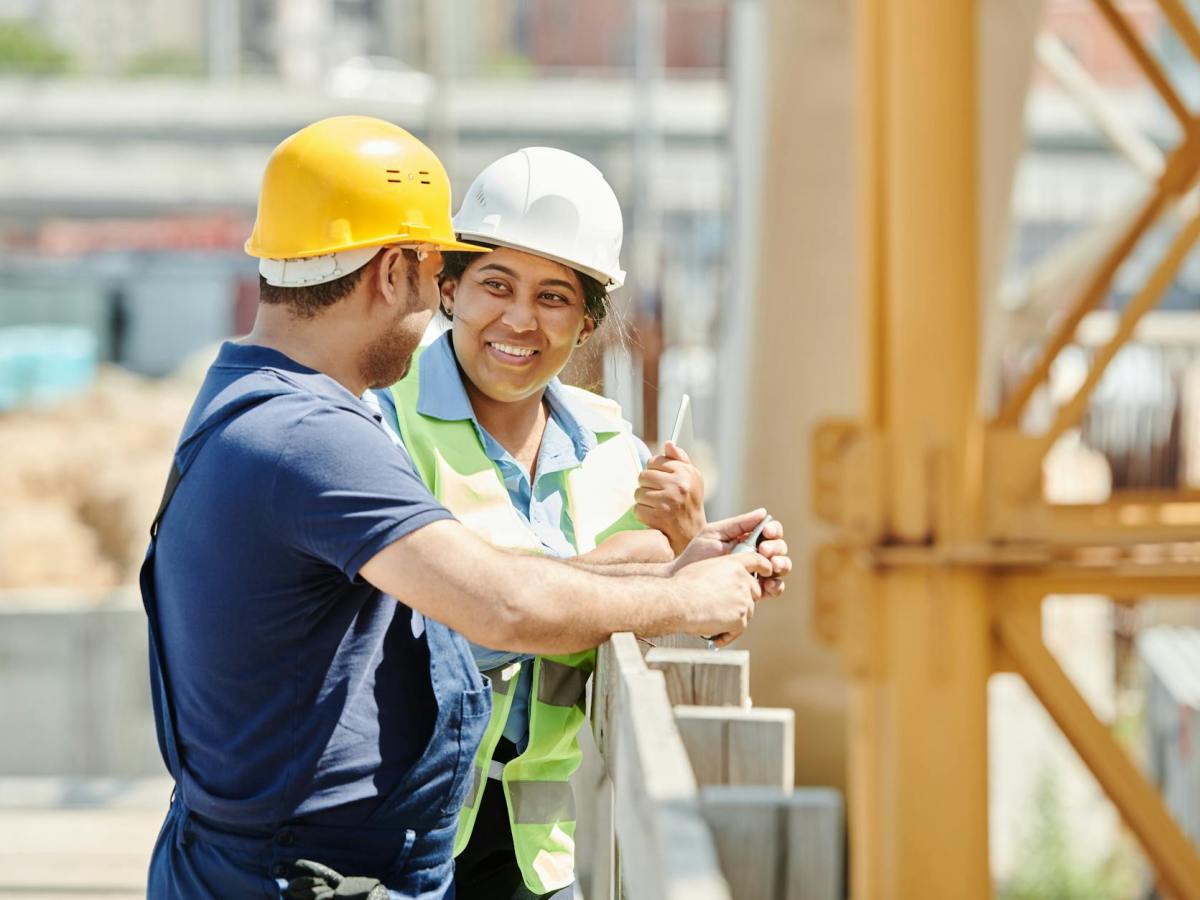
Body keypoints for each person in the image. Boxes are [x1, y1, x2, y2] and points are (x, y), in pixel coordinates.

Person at [142, 115, 789, 899]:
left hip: (324, 860)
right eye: (442, 274)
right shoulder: (317, 436)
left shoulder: (265, 405)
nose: (441, 305)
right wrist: (680, 594)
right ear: (397, 272)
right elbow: (498, 604)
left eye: (553, 296)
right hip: (297, 871)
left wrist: (678, 564)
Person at [373, 147, 743, 899]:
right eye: (496, 284)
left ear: (587, 321)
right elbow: (438, 622)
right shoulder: (383, 421)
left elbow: (668, 624)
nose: (520, 319)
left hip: (536, 854)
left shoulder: (614, 448)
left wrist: (692, 546)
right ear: (449, 288)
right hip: (395, 837)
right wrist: (630, 565)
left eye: (553, 296)